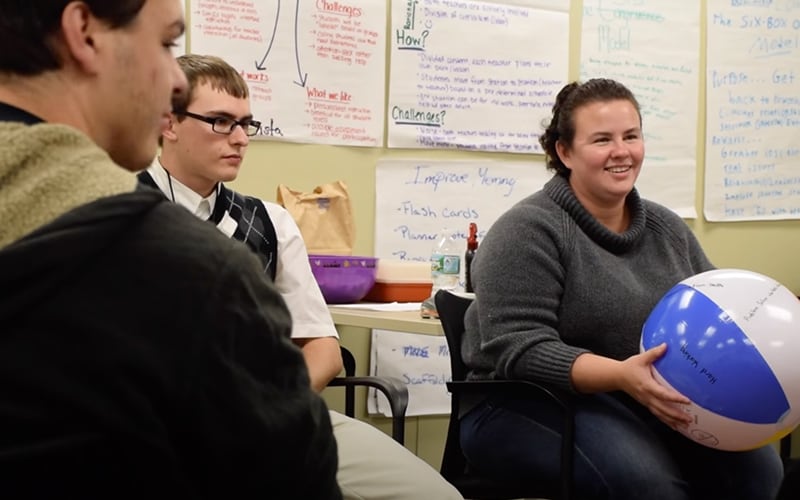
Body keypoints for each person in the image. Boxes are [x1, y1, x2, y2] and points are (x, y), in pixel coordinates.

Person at [0, 2, 340, 498]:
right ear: (84, 33)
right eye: (165, 44)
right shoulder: (195, 271)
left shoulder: (260, 226)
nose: (174, 83)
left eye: (248, 124)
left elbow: (321, 350)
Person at [138, 53, 464, 500]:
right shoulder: (117, 211)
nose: (239, 139)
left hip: (275, 413)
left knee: (435, 496)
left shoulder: (269, 222)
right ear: (167, 123)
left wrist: (272, 411)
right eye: (219, 122)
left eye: (245, 124)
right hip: (163, 431)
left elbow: (323, 350)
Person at [459, 78, 784, 499]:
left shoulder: (666, 228)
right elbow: (520, 348)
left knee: (757, 471)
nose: (621, 152)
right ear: (564, 151)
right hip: (519, 403)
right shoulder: (527, 231)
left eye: (631, 136)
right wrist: (621, 375)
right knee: (646, 485)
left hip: (635, 397)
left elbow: (719, 307)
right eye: (601, 139)